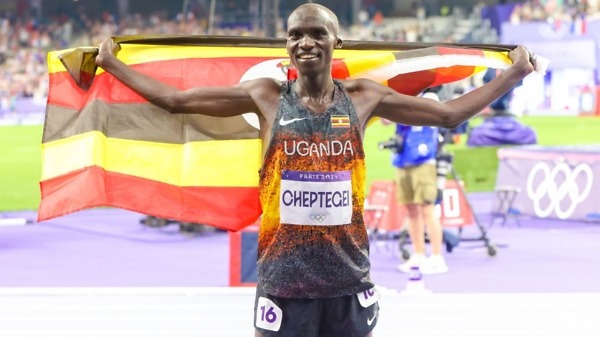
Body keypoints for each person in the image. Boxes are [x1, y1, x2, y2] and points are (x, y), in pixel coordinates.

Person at [94, 3, 535, 336]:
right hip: (284, 282)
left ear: (335, 42)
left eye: (317, 33)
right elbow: (177, 101)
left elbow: (447, 115)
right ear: (286, 45)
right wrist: (112, 63)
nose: (305, 42)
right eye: (296, 35)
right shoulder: (265, 95)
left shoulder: (364, 97)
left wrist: (512, 75)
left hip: (348, 279)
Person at [382, 90, 449, 275]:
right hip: (403, 159)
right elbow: (385, 120)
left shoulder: (429, 96)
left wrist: (401, 102)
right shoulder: (400, 96)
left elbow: (424, 112)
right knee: (411, 210)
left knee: (427, 208)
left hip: (423, 160)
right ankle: (418, 254)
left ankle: (437, 257)